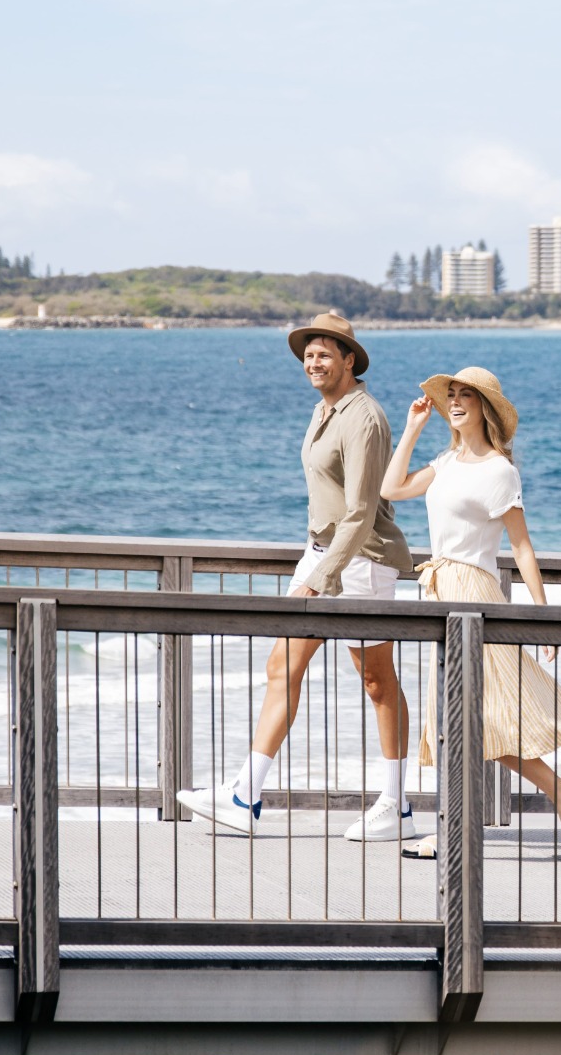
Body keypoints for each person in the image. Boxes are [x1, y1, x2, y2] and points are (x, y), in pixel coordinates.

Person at [175, 312, 419, 839]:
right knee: (282, 665)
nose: (314, 361)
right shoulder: (322, 411)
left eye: (325, 353)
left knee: (377, 681)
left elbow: (359, 511)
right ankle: (246, 794)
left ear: (349, 359)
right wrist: (312, 562)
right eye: (308, 354)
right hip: (321, 553)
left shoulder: (365, 417)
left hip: (361, 561)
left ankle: (397, 805)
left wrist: (321, 577)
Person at [377, 366, 561, 859]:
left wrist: (543, 616)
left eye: (465, 396)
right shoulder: (446, 462)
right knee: (474, 720)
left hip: (473, 595)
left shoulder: (500, 470)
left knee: (471, 720)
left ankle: (455, 829)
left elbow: (521, 547)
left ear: (484, 407)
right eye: (450, 395)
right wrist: (412, 429)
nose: (454, 402)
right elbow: (391, 489)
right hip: (440, 594)